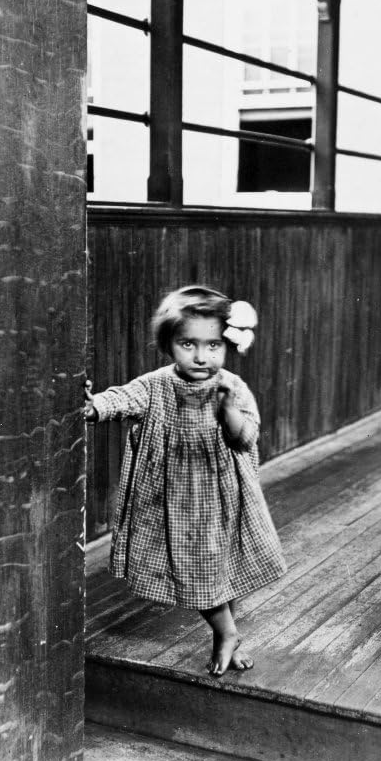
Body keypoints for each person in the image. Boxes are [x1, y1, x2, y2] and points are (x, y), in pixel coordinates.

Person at [84, 285, 286, 677]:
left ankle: (226, 634)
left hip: (224, 497)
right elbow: (122, 399)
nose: (200, 356)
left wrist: (227, 408)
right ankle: (227, 633)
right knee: (198, 572)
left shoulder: (231, 386)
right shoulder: (156, 384)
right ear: (168, 344)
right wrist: (94, 407)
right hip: (173, 502)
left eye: (212, 346)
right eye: (187, 344)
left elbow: (245, 438)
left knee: (220, 570)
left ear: (227, 345)